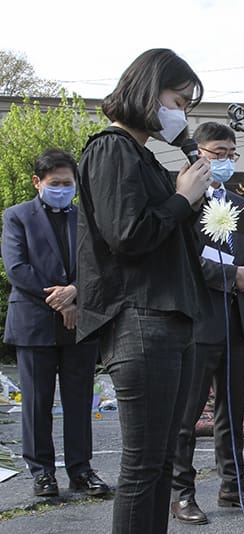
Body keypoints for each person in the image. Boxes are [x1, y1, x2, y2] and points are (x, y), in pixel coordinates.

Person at [76, 49, 212, 533]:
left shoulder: (147, 157)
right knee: (141, 465)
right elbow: (127, 234)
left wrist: (191, 201)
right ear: (149, 92)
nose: (182, 115)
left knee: (157, 463)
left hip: (169, 318)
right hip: (140, 317)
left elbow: (171, 236)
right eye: (179, 100)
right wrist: (181, 198)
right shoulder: (111, 149)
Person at [170, 123, 244, 524]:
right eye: (218, 152)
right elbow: (185, 260)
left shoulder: (240, 202)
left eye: (231, 152)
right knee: (188, 414)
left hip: (236, 320)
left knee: (232, 412)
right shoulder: (183, 199)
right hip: (198, 320)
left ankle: (233, 485)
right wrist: (231, 277)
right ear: (198, 152)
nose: (226, 160)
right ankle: (181, 492)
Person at [2, 149, 110, 499]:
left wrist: (76, 293)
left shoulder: (86, 219)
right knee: (37, 402)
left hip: (80, 319)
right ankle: (42, 472)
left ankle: (81, 469)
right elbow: (17, 268)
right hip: (35, 322)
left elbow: (100, 264)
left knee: (81, 401)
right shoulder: (17, 217)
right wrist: (60, 300)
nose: (62, 189)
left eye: (68, 183)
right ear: (38, 183)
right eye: (55, 184)